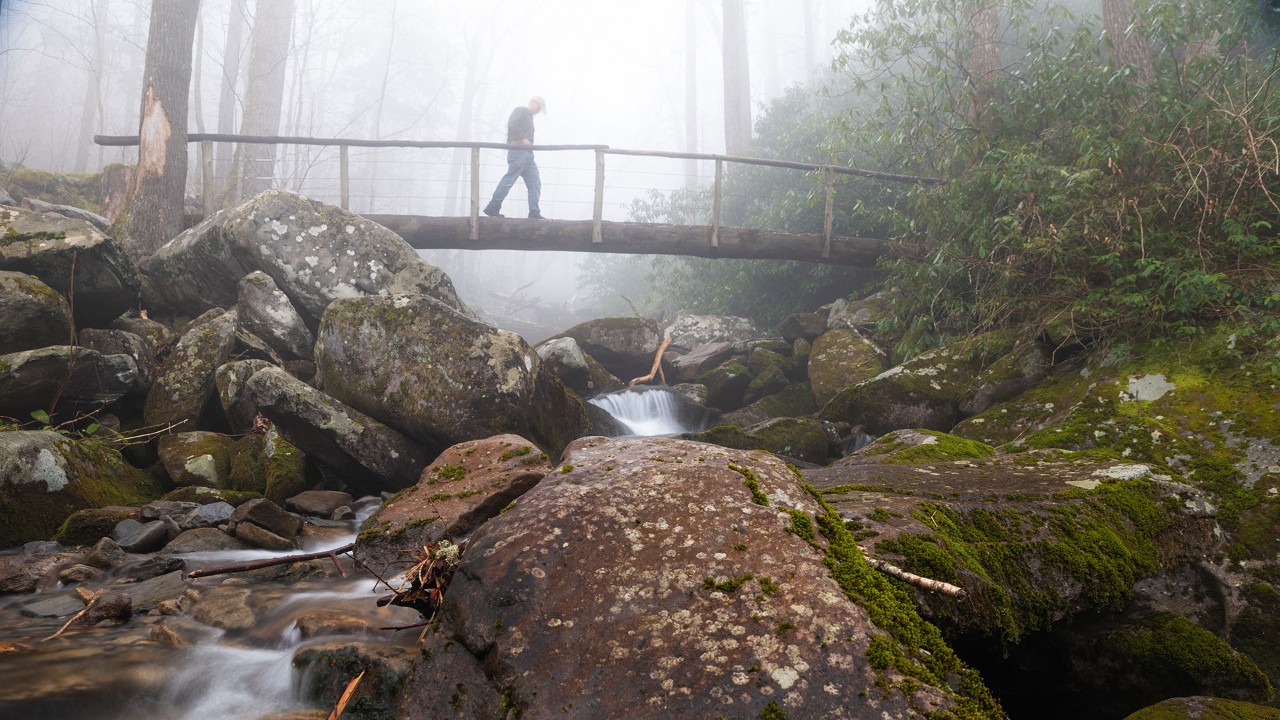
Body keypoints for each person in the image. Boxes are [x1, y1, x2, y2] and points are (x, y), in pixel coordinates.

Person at [484, 95, 547, 219]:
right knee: (509, 180)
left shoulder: (529, 118)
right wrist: (522, 138)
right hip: (518, 152)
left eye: (540, 109)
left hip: (528, 155)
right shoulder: (522, 110)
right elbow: (512, 123)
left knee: (535, 183)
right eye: (538, 107)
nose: (538, 111)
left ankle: (534, 212)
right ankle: (493, 207)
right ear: (533, 102)